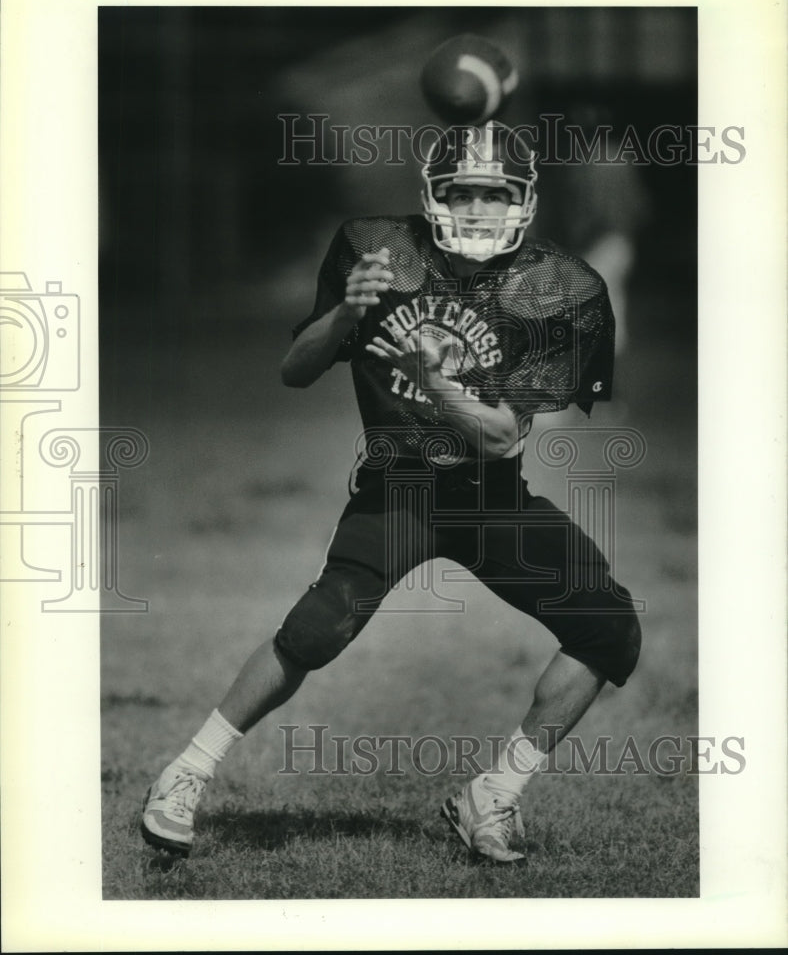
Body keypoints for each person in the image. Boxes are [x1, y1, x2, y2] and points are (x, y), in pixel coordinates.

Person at [141, 120, 641, 864]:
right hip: (397, 488)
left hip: (488, 494)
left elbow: (502, 436)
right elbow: (295, 369)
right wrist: (344, 315)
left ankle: (493, 795)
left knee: (609, 628)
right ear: (434, 197)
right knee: (319, 627)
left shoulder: (555, 288)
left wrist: (435, 379)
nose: (477, 209)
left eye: (495, 193)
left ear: (523, 200)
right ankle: (183, 774)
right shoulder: (377, 251)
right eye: (463, 193)